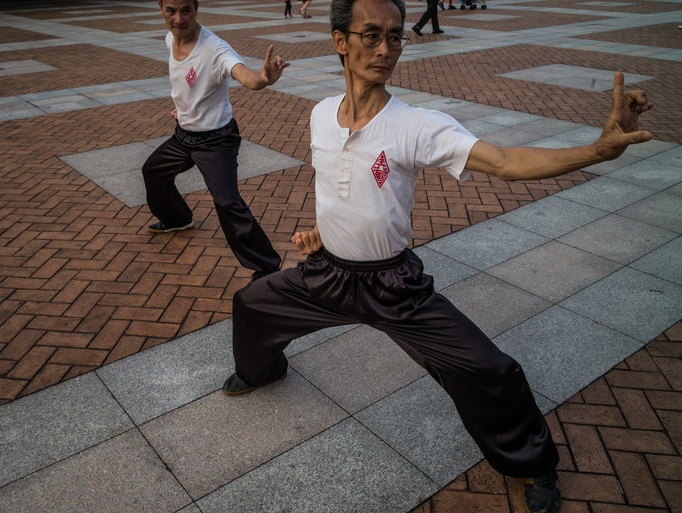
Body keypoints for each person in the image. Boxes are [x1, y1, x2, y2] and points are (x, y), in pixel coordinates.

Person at [221, 0, 653, 511]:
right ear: (340, 41)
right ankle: (262, 371)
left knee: (492, 370)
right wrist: (320, 232)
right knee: (252, 303)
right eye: (371, 35)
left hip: (392, 288)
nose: (385, 49)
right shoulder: (319, 115)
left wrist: (596, 151)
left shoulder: (417, 125)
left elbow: (507, 161)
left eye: (396, 37)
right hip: (326, 275)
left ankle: (534, 463)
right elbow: (337, 185)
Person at [142, 0, 289, 281]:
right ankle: (178, 219)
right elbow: (185, 81)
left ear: (197, 7)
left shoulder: (215, 47)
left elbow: (243, 75)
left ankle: (267, 265)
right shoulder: (169, 39)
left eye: (186, 10)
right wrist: (183, 107)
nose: (179, 19)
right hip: (184, 135)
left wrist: (262, 79)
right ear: (160, 7)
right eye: (171, 11)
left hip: (216, 141)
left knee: (227, 202)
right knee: (152, 171)